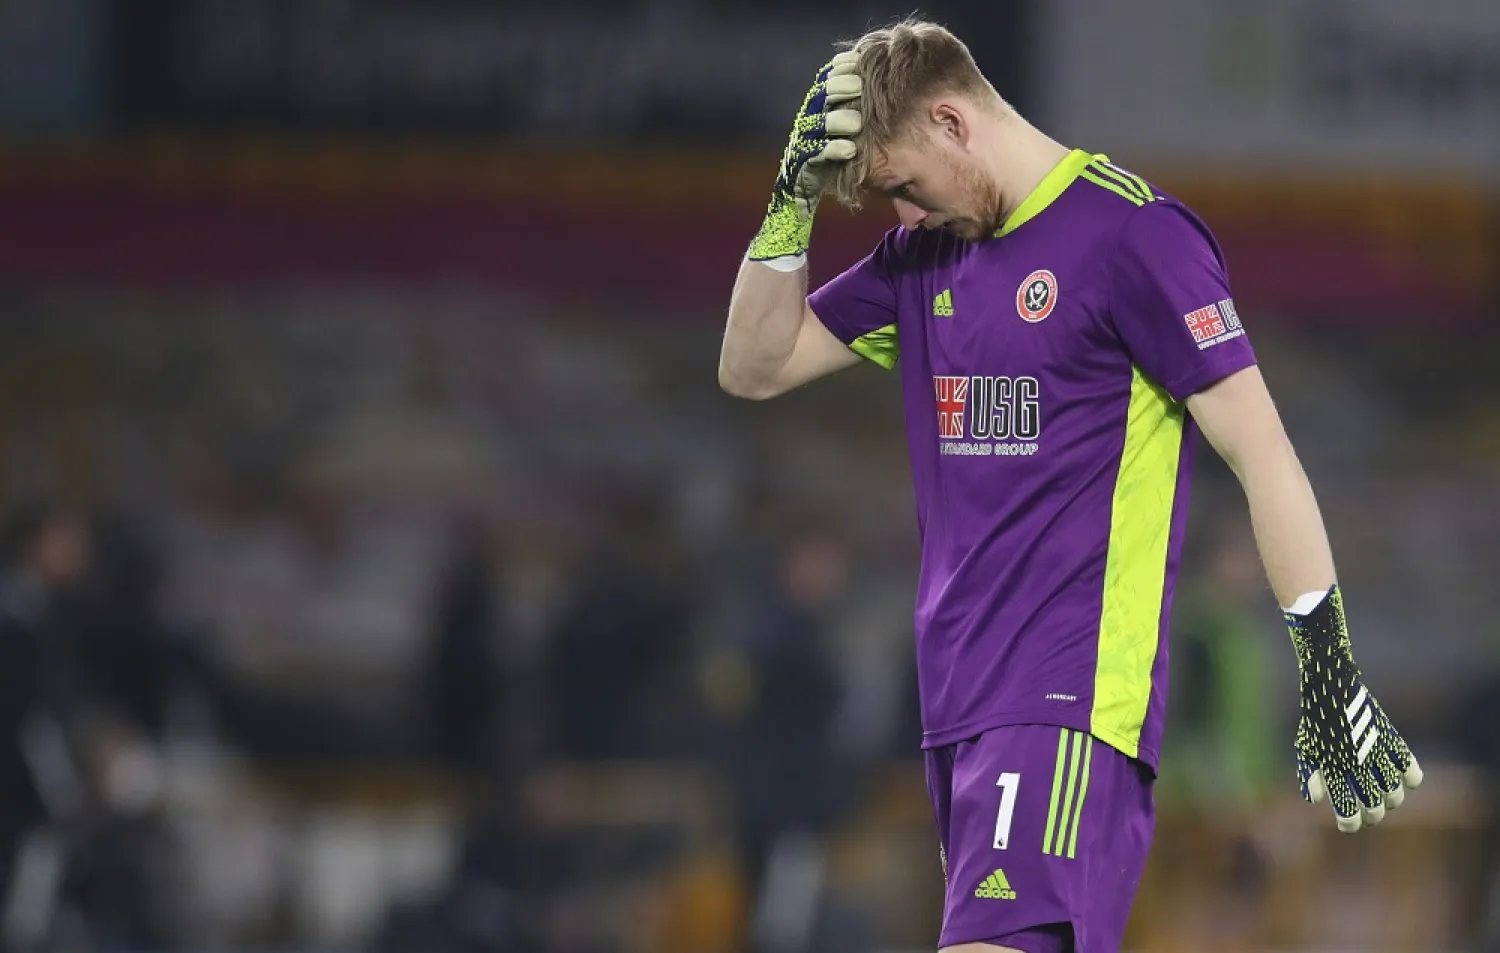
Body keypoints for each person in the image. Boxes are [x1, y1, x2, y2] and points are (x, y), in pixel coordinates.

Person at [717, 18, 1423, 953]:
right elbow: (753, 365)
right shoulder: (926, 255)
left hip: (1066, 700)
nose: (902, 217)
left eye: (902, 186)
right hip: (958, 708)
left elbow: (1264, 453)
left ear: (953, 122)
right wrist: (787, 204)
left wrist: (1326, 659)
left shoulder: (1134, 237)